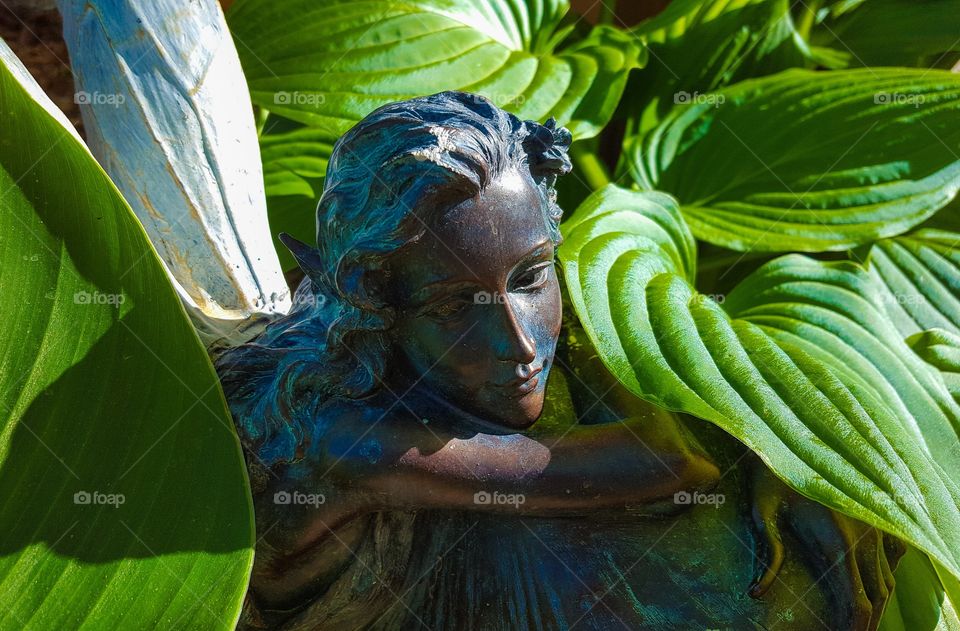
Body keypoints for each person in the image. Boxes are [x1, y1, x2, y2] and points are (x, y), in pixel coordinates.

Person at [215, 92, 900, 630]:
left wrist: (800, 461)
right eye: (458, 308)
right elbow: (662, 459)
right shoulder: (343, 435)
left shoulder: (452, 299)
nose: (519, 342)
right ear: (379, 308)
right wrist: (767, 448)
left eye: (532, 276)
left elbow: (625, 349)